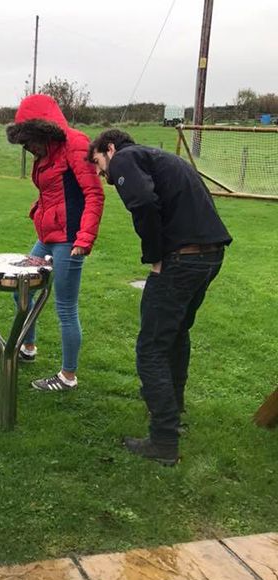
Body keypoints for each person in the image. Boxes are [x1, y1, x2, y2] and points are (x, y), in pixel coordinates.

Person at [87, 129, 232, 466]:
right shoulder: (162, 159)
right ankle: (173, 408)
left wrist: (155, 256)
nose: (100, 173)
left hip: (182, 260)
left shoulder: (125, 158)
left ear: (109, 148)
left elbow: (143, 203)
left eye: (98, 163)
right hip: (210, 256)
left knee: (150, 347)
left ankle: (163, 440)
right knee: (176, 334)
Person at [6, 94, 105, 391]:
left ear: (43, 131)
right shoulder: (45, 153)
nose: (27, 148)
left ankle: (68, 376)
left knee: (65, 307)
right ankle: (28, 347)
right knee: (21, 289)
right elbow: (54, 191)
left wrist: (84, 238)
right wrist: (40, 210)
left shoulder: (74, 144)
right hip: (48, 237)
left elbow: (93, 194)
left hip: (69, 240)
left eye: (28, 141)